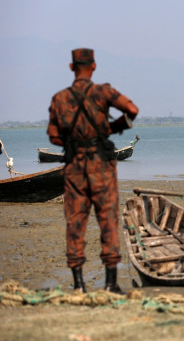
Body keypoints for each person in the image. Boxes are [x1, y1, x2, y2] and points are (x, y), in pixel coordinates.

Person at [47, 48, 139, 294]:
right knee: (107, 220)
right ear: (94, 66)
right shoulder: (103, 92)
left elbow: (54, 137)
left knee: (75, 222)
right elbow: (132, 110)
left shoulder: (59, 99)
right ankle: (110, 284)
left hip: (75, 166)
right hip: (102, 166)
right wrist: (111, 128)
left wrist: (73, 141)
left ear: (71, 67)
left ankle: (78, 285)